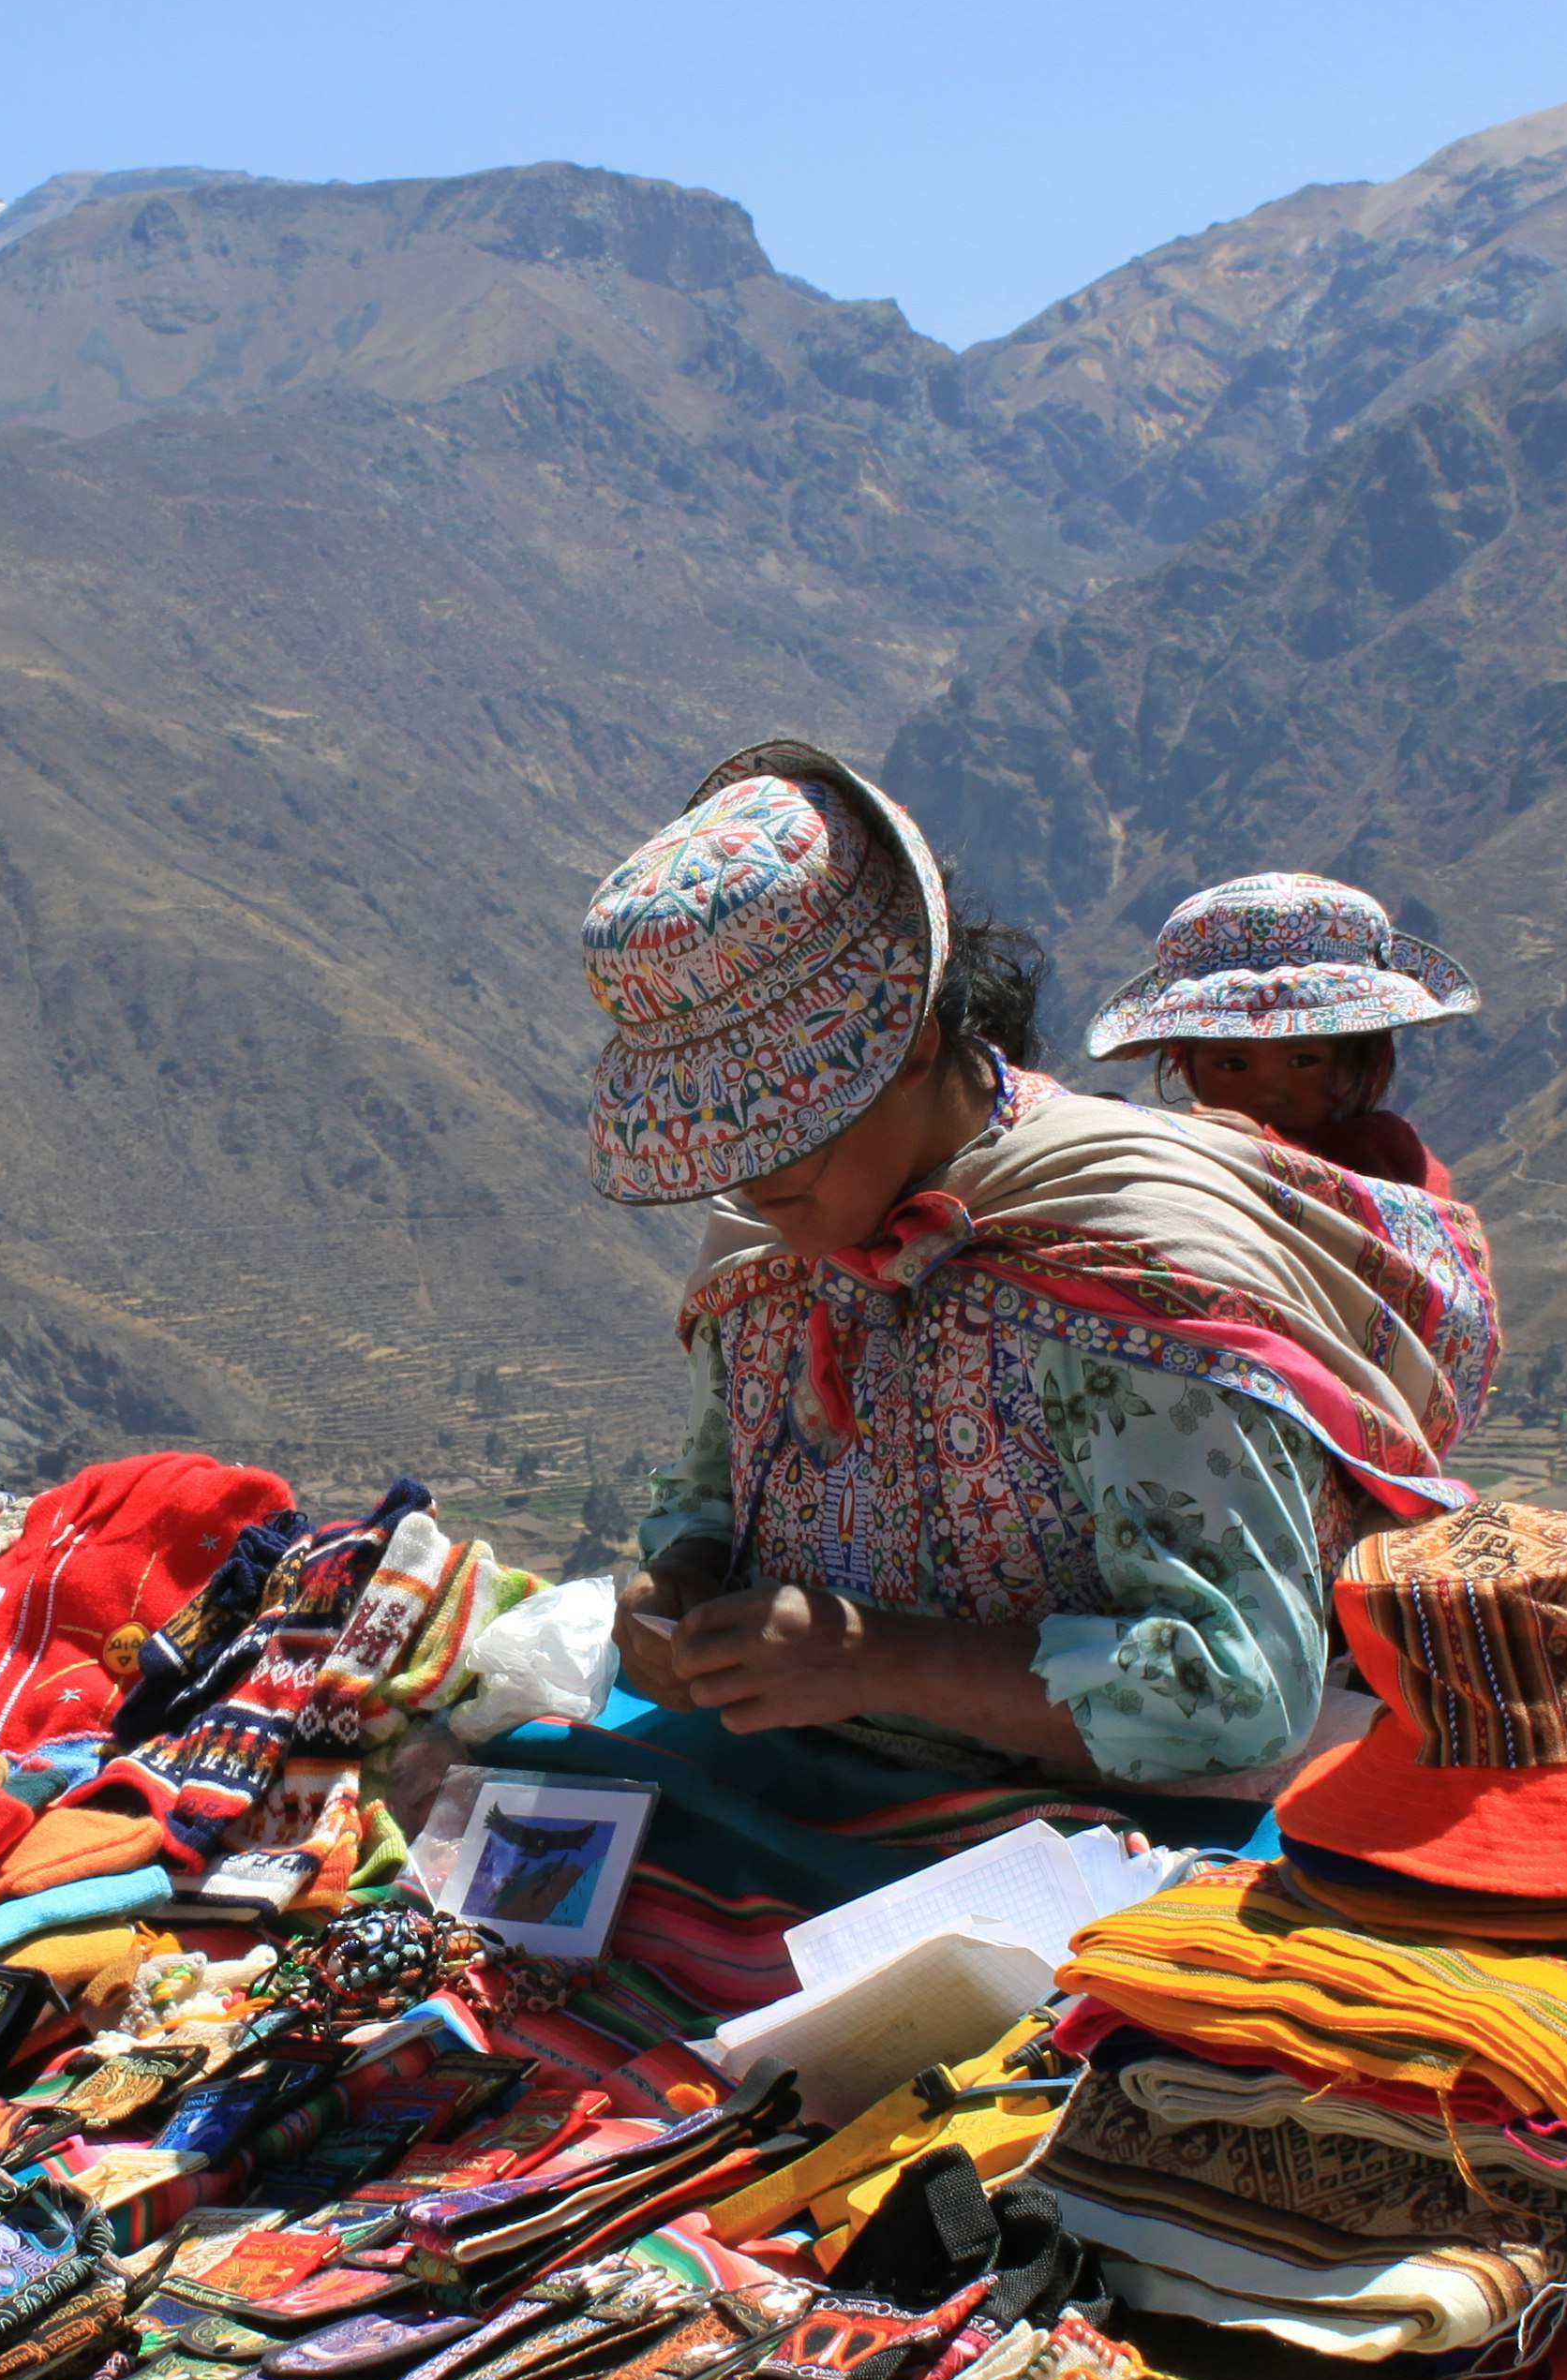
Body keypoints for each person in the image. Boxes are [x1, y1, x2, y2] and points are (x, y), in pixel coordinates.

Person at [530, 743, 1498, 1936]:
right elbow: (713, 1486)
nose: (752, 1175)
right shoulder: (771, 1242)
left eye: (794, 1127)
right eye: (727, 1140)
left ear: (916, 1045)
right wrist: (675, 1587)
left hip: (1105, 1842)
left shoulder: (1129, 1275)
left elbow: (1239, 1687)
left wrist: (879, 1659)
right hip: (799, 1785)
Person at [1082, 871, 1481, 1195]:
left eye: (1303, 1060)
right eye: (1233, 1064)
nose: (1267, 1092)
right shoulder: (1187, 1158)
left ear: (1369, 1059)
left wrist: (1272, 1160)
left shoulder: (1393, 1155)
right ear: (1186, 1063)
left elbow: (1396, 1236)